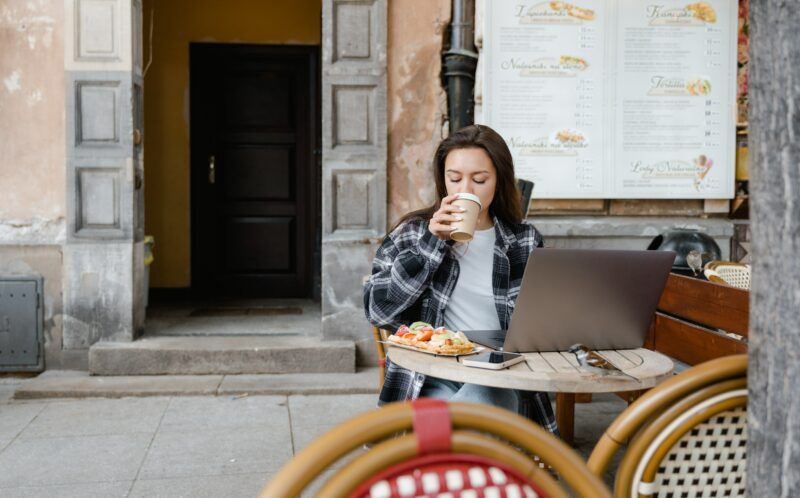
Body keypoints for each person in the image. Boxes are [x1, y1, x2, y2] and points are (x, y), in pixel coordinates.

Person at [363, 124, 557, 434]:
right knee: (465, 423)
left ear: (499, 182)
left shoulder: (524, 241)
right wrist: (431, 246)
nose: (465, 190)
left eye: (479, 180)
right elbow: (379, 312)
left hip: (500, 373)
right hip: (431, 373)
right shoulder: (412, 233)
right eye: (454, 179)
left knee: (469, 410)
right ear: (443, 180)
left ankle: (431, 465)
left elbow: (543, 323)